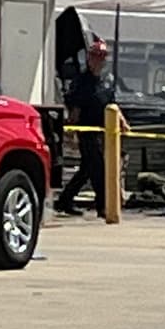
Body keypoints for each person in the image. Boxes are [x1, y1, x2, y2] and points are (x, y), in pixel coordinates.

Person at [54, 37, 114, 217]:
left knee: (87, 169)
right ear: (88, 58)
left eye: (102, 56)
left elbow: (112, 104)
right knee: (98, 168)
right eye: (95, 56)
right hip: (87, 131)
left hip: (104, 131)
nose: (99, 60)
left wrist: (122, 123)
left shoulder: (106, 81)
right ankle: (103, 206)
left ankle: (65, 200)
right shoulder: (82, 81)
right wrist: (72, 130)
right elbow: (75, 107)